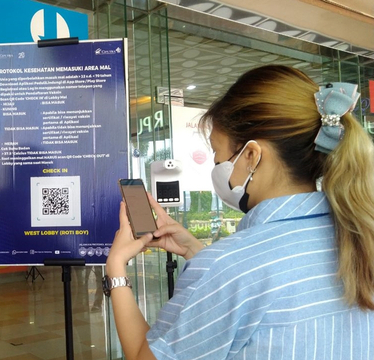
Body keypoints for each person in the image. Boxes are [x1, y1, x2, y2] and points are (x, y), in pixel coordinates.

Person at [105, 65, 374, 359]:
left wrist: (116, 267)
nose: (218, 168)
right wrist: (196, 250)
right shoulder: (360, 237)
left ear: (251, 156)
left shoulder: (227, 267)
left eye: (219, 156)